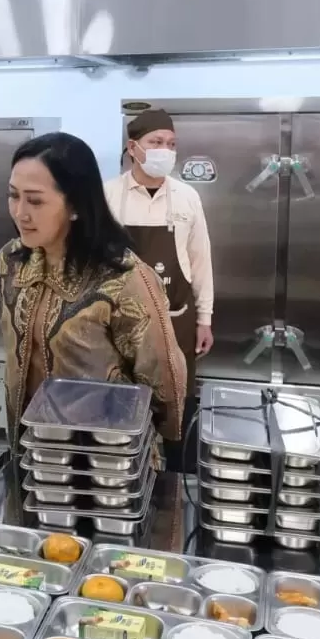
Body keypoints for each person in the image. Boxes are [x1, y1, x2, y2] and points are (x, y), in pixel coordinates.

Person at [0, 132, 186, 447]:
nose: (20, 212)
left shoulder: (124, 279)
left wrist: (140, 448)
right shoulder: (11, 262)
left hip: (101, 453)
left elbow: (165, 381)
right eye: (13, 195)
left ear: (75, 205)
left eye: (35, 200)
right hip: (29, 447)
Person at [103, 108, 214, 421]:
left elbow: (201, 259)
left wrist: (204, 318)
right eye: (156, 142)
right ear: (133, 147)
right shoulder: (108, 195)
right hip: (120, 323)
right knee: (122, 406)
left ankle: (175, 455)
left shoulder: (187, 197)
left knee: (174, 405)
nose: (165, 150)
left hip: (175, 320)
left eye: (171, 144)